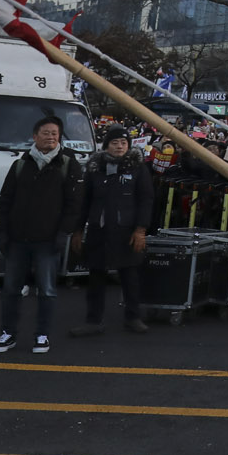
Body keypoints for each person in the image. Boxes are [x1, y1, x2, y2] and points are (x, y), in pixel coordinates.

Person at [0, 116, 82, 354]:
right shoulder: (21, 164)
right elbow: (5, 201)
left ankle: (42, 335)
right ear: (34, 136)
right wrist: (1, 232)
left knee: (47, 290)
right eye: (46, 133)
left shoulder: (68, 165)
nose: (51, 137)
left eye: (55, 133)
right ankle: (8, 333)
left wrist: (63, 233)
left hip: (48, 240)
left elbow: (74, 205)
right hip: (17, 239)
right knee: (11, 289)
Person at [71, 125, 152, 336]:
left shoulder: (138, 169)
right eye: (115, 143)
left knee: (130, 277)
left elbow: (146, 200)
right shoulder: (95, 168)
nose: (119, 147)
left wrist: (141, 230)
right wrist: (78, 230)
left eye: (123, 143)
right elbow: (85, 201)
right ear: (106, 145)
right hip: (99, 230)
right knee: (96, 277)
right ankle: (93, 321)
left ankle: (133, 317)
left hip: (127, 232)